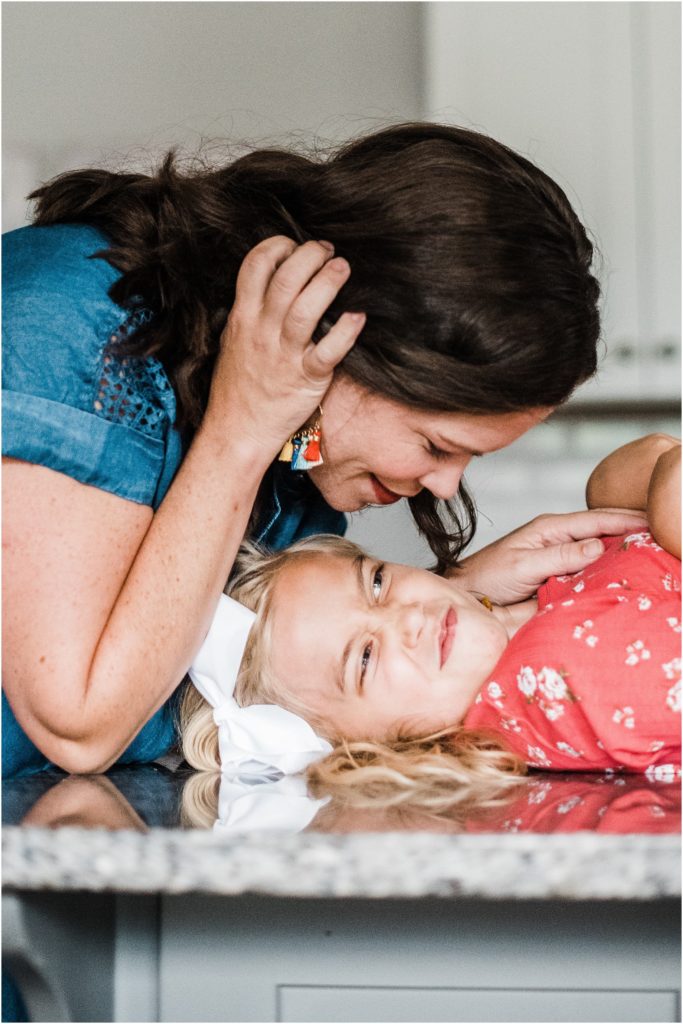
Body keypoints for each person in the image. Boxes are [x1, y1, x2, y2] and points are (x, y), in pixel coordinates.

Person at [3, 121, 646, 779]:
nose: (443, 486)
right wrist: (239, 427)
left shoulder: (296, 461)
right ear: (334, 336)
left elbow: (233, 681)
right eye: (435, 446)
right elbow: (78, 726)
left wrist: (452, 598)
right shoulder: (67, 323)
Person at [180, 435, 681, 794]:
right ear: (366, 751)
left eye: (376, 582)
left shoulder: (536, 630)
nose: (409, 616)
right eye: (365, 658)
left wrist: (651, 477)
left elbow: (625, 477)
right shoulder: (564, 669)